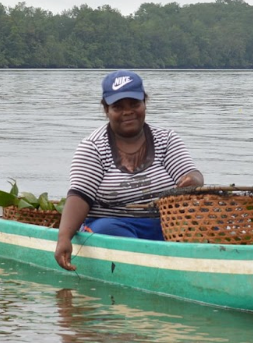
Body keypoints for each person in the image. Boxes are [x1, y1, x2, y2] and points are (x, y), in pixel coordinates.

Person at [54, 70, 204, 271]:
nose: (128, 112)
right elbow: (79, 197)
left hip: (165, 225)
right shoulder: (93, 147)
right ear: (106, 109)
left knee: (207, 221)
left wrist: (193, 180)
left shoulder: (166, 139)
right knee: (107, 229)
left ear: (145, 103)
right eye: (118, 107)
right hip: (113, 225)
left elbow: (192, 174)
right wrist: (64, 238)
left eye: (134, 104)